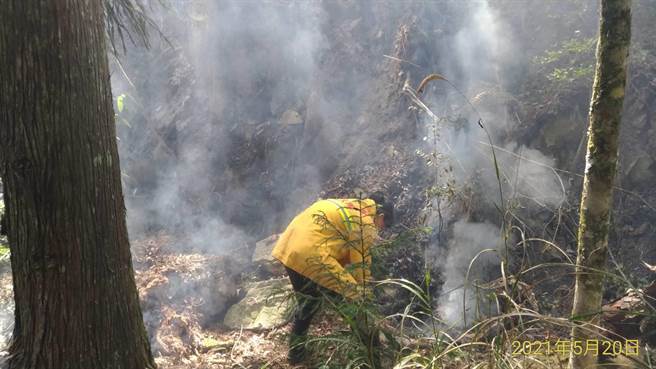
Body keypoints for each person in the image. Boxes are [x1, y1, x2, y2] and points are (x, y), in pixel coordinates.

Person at [271, 191, 394, 365]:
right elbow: (361, 266)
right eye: (383, 225)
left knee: (308, 304)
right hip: (313, 255)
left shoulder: (347, 205)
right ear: (381, 216)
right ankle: (372, 360)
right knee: (357, 306)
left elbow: (339, 248)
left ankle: (295, 355)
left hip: (289, 247)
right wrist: (365, 294)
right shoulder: (365, 222)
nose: (380, 230)